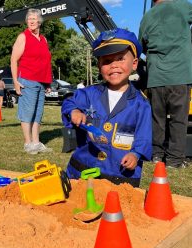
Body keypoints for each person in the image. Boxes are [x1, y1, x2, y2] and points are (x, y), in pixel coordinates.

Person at [61, 28, 152, 187]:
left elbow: (144, 137)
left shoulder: (141, 104)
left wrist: (135, 155)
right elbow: (69, 102)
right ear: (99, 66)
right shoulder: (89, 94)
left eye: (120, 58)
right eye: (107, 61)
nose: (114, 65)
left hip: (119, 177)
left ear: (134, 63)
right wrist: (73, 111)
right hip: (82, 173)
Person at [139, 0, 192, 169]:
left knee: (157, 119)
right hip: (180, 77)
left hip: (156, 78)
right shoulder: (182, 6)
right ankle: (174, 160)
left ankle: (156, 155)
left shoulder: (147, 16)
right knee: (178, 120)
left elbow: (141, 45)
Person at [10, 8, 53, 154]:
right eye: (29, 19)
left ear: (40, 21)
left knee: (38, 113)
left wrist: (47, 82)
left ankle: (36, 142)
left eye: (34, 19)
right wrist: (16, 81)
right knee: (27, 113)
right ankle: (28, 144)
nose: (32, 21)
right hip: (27, 80)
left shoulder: (44, 39)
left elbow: (45, 62)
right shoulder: (23, 37)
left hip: (41, 82)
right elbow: (14, 60)